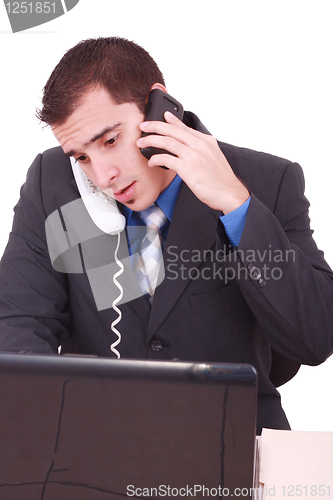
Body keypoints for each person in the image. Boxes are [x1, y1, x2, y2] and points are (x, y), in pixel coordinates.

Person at [0, 37, 332, 434]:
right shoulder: (52, 184)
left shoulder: (268, 181)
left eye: (110, 140)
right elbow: (17, 323)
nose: (102, 176)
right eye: (82, 157)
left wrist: (234, 202)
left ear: (158, 106)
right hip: (94, 447)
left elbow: (314, 339)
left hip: (233, 441)